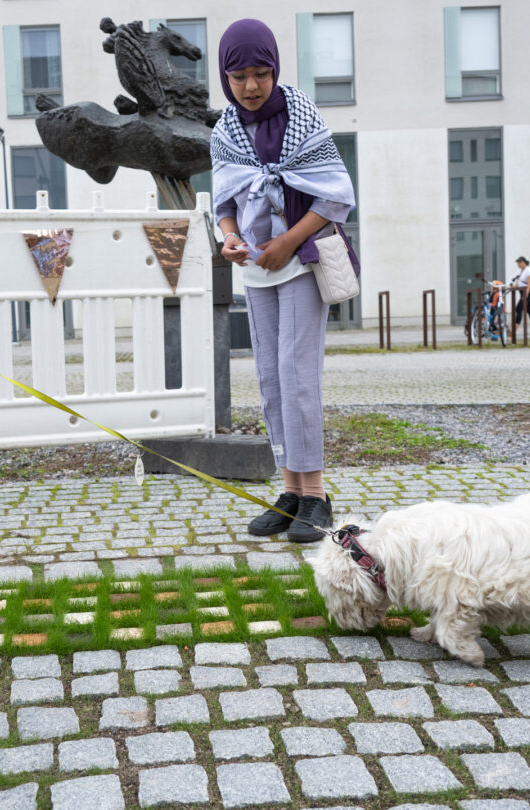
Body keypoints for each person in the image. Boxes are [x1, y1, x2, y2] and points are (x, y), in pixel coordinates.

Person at [211, 19, 357, 543]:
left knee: (299, 376)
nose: (250, 86)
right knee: (270, 379)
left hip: (299, 263)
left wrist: (286, 242)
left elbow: (336, 195)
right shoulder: (225, 130)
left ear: (275, 69)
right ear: (224, 76)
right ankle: (291, 490)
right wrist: (229, 237)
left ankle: (316, 494)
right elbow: (224, 203)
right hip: (255, 268)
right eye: (238, 75)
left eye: (260, 73)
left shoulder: (302, 115)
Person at [511, 256, 530, 334]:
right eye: (518, 263)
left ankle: (515, 329)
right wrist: (511, 287)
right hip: (522, 291)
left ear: (524, 262)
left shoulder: (529, 270)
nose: (519, 264)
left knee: (519, 308)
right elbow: (518, 282)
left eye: (520, 262)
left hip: (528, 292)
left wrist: (525, 295)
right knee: (529, 310)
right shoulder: (520, 271)